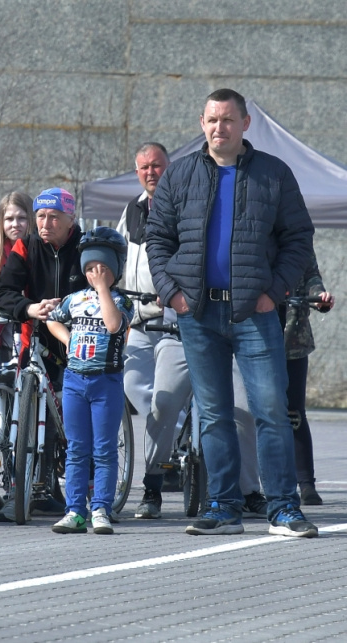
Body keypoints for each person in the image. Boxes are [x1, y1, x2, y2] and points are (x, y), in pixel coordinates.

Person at [146, 88, 317, 538]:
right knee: (213, 413)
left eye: (227, 119)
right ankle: (222, 508)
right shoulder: (180, 175)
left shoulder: (273, 174)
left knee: (271, 410)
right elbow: (157, 240)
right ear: (201, 124)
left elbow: (299, 238)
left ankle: (284, 509)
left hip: (254, 314)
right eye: (212, 120)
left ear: (245, 124)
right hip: (197, 314)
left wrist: (274, 292)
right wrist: (172, 293)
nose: (219, 127)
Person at [0, 187, 86, 521]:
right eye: (40, 216)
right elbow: (2, 291)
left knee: (78, 421)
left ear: (70, 219)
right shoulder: (26, 246)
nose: (44, 224)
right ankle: (23, 491)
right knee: (29, 413)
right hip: (37, 338)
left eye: (53, 217)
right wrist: (30, 308)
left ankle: (90, 495)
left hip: (79, 340)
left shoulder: (85, 246)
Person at [115, 142, 191, 520]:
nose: (150, 172)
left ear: (169, 167)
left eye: (156, 165)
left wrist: (173, 289)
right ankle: (174, 439)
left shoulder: (183, 205)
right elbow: (118, 254)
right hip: (140, 319)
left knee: (164, 400)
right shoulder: (131, 210)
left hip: (174, 317)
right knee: (132, 385)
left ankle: (155, 481)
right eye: (144, 167)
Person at [46, 228, 133, 535]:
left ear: (116, 270)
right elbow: (52, 319)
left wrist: (103, 289)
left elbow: (113, 325)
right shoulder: (75, 299)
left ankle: (101, 509)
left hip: (106, 383)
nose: (96, 273)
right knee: (76, 449)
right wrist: (67, 337)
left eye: (104, 268)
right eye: (91, 268)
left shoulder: (122, 301)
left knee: (104, 450)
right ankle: (74, 511)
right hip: (74, 381)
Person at [281, 254, 334, 505]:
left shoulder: (299, 240)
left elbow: (312, 275)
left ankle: (306, 484)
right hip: (254, 336)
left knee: (295, 413)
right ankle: (251, 486)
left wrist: (320, 296)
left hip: (294, 338)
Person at [0, 191, 34, 362]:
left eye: (22, 218)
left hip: (35, 338)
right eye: (9, 219)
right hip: (5, 339)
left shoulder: (39, 250)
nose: (15, 224)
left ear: (31, 219)